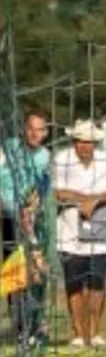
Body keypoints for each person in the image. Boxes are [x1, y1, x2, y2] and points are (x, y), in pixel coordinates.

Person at [53, 120, 106, 349]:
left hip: (101, 233)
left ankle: (94, 332)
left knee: (97, 284)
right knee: (73, 285)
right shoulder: (62, 159)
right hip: (69, 233)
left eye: (90, 142)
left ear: (96, 143)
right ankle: (77, 333)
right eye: (81, 142)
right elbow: (59, 192)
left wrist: (95, 202)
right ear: (74, 142)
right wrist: (85, 200)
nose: (85, 146)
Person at [2, 112, 52, 342]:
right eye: (31, 128)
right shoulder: (8, 148)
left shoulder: (45, 156)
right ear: (24, 129)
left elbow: (42, 186)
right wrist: (14, 209)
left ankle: (36, 323)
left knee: (37, 272)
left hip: (30, 219)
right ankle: (22, 326)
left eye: (40, 129)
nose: (35, 133)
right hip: (7, 218)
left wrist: (32, 207)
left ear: (46, 133)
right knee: (14, 275)